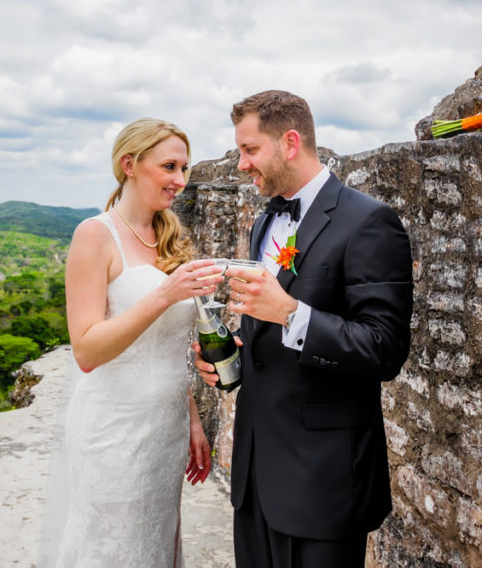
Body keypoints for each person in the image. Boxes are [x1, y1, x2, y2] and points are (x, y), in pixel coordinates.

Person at [193, 90, 414, 567]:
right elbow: (269, 330)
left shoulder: (369, 222)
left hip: (323, 480)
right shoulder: (265, 219)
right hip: (255, 476)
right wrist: (233, 356)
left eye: (250, 150)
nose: (240, 165)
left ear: (290, 142)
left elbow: (385, 348)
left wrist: (292, 315)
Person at [44, 117, 225, 567]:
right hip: (113, 430)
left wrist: (193, 421)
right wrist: (167, 293)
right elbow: (86, 351)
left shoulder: (169, 236)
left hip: (165, 428)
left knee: (155, 544)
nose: (180, 181)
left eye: (184, 168)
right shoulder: (94, 235)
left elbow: (166, 348)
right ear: (129, 164)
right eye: (169, 167)